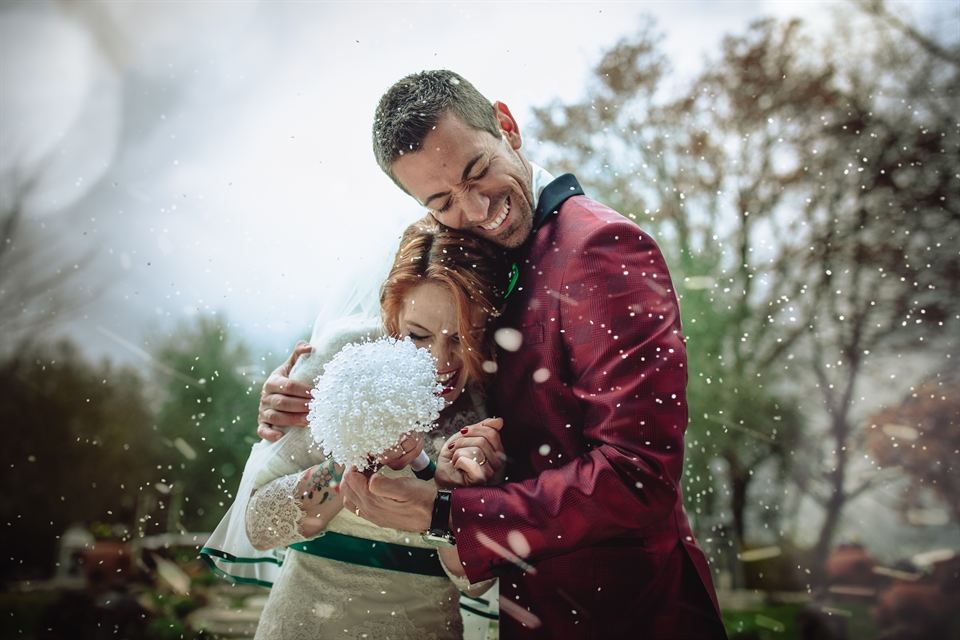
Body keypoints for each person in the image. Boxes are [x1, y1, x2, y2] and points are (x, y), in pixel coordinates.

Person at [260, 70, 726, 639]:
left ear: (507, 125)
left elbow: (639, 473)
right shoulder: (478, 261)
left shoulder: (598, 247)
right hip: (536, 610)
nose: (477, 208)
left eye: (478, 170)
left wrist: (444, 511)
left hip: (621, 610)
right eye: (442, 201)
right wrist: (310, 408)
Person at [204, 218, 511, 639]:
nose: (440, 361)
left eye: (462, 338)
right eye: (418, 335)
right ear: (391, 315)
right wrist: (354, 456)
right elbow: (259, 527)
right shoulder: (343, 358)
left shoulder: (492, 402)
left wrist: (450, 500)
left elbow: (476, 584)